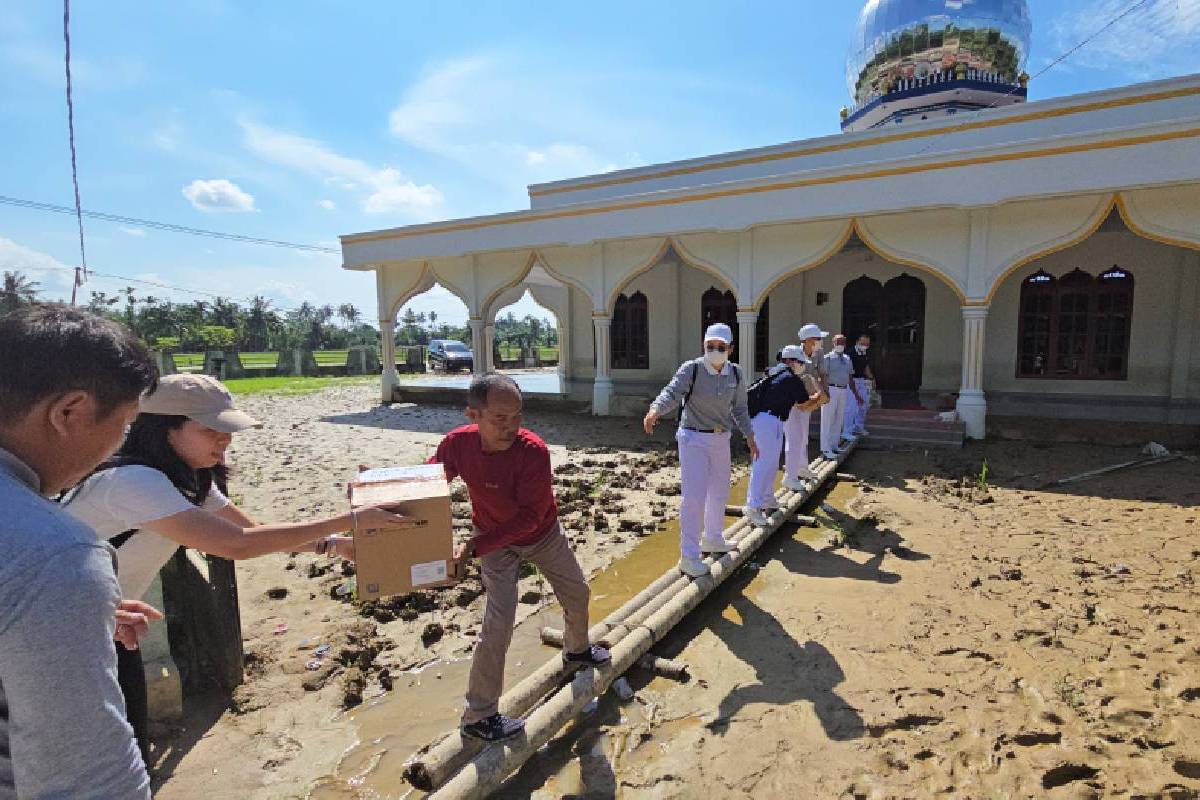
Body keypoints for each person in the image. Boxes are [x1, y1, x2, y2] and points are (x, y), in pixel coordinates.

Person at [62, 373, 404, 763]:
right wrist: (349, 520)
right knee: (97, 756)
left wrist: (333, 546)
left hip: (112, 623)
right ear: (163, 429)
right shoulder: (134, 481)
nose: (225, 439)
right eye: (212, 429)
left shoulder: (189, 479)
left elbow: (250, 531)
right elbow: (235, 545)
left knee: (126, 745)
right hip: (64, 628)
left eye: (227, 429)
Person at [0, 305, 158, 799]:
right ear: (68, 413)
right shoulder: (55, 552)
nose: (119, 445)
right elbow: (87, 780)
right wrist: (60, 591)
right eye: (126, 424)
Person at [431, 373, 610, 743]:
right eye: (499, 419)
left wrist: (472, 548)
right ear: (473, 415)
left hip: (541, 535)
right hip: (495, 542)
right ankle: (479, 716)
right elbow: (428, 487)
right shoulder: (456, 445)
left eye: (517, 417)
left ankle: (576, 651)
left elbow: (530, 516)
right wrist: (386, 486)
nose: (510, 427)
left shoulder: (533, 451)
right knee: (498, 624)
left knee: (577, 593)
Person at [644, 323, 759, 578]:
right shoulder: (692, 369)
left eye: (721, 347)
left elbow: (739, 408)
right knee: (694, 497)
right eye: (710, 346)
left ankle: (714, 538)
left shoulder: (736, 374)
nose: (715, 351)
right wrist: (655, 410)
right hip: (693, 438)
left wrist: (750, 436)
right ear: (704, 346)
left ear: (731, 348)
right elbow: (672, 392)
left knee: (719, 492)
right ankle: (689, 555)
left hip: (721, 438)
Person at [742, 344, 823, 527]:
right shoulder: (790, 378)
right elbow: (803, 404)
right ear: (791, 361)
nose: (802, 365)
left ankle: (767, 499)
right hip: (767, 422)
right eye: (800, 362)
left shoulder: (774, 373)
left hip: (771, 421)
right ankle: (752, 506)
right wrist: (819, 395)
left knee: (770, 463)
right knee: (763, 463)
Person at [783, 324, 829, 491]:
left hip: (807, 400)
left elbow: (819, 375)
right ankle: (790, 475)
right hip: (793, 403)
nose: (820, 342)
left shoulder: (818, 353)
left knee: (802, 436)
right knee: (793, 438)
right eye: (818, 339)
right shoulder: (794, 354)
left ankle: (802, 467)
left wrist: (822, 393)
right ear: (808, 340)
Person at [820, 334, 856, 460]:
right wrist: (825, 391)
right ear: (833, 343)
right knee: (827, 419)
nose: (840, 344)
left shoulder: (847, 358)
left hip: (843, 390)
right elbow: (823, 375)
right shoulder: (828, 358)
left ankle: (834, 445)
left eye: (842, 342)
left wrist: (853, 392)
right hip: (831, 389)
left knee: (839, 418)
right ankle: (825, 448)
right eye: (838, 342)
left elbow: (850, 375)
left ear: (845, 344)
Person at [844, 334, 874, 439]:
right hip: (851, 381)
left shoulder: (864, 352)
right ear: (857, 342)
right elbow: (847, 372)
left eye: (867, 344)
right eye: (862, 343)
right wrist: (854, 390)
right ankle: (846, 431)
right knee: (851, 407)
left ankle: (858, 427)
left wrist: (871, 377)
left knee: (864, 405)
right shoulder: (850, 353)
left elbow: (866, 365)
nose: (865, 345)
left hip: (861, 380)